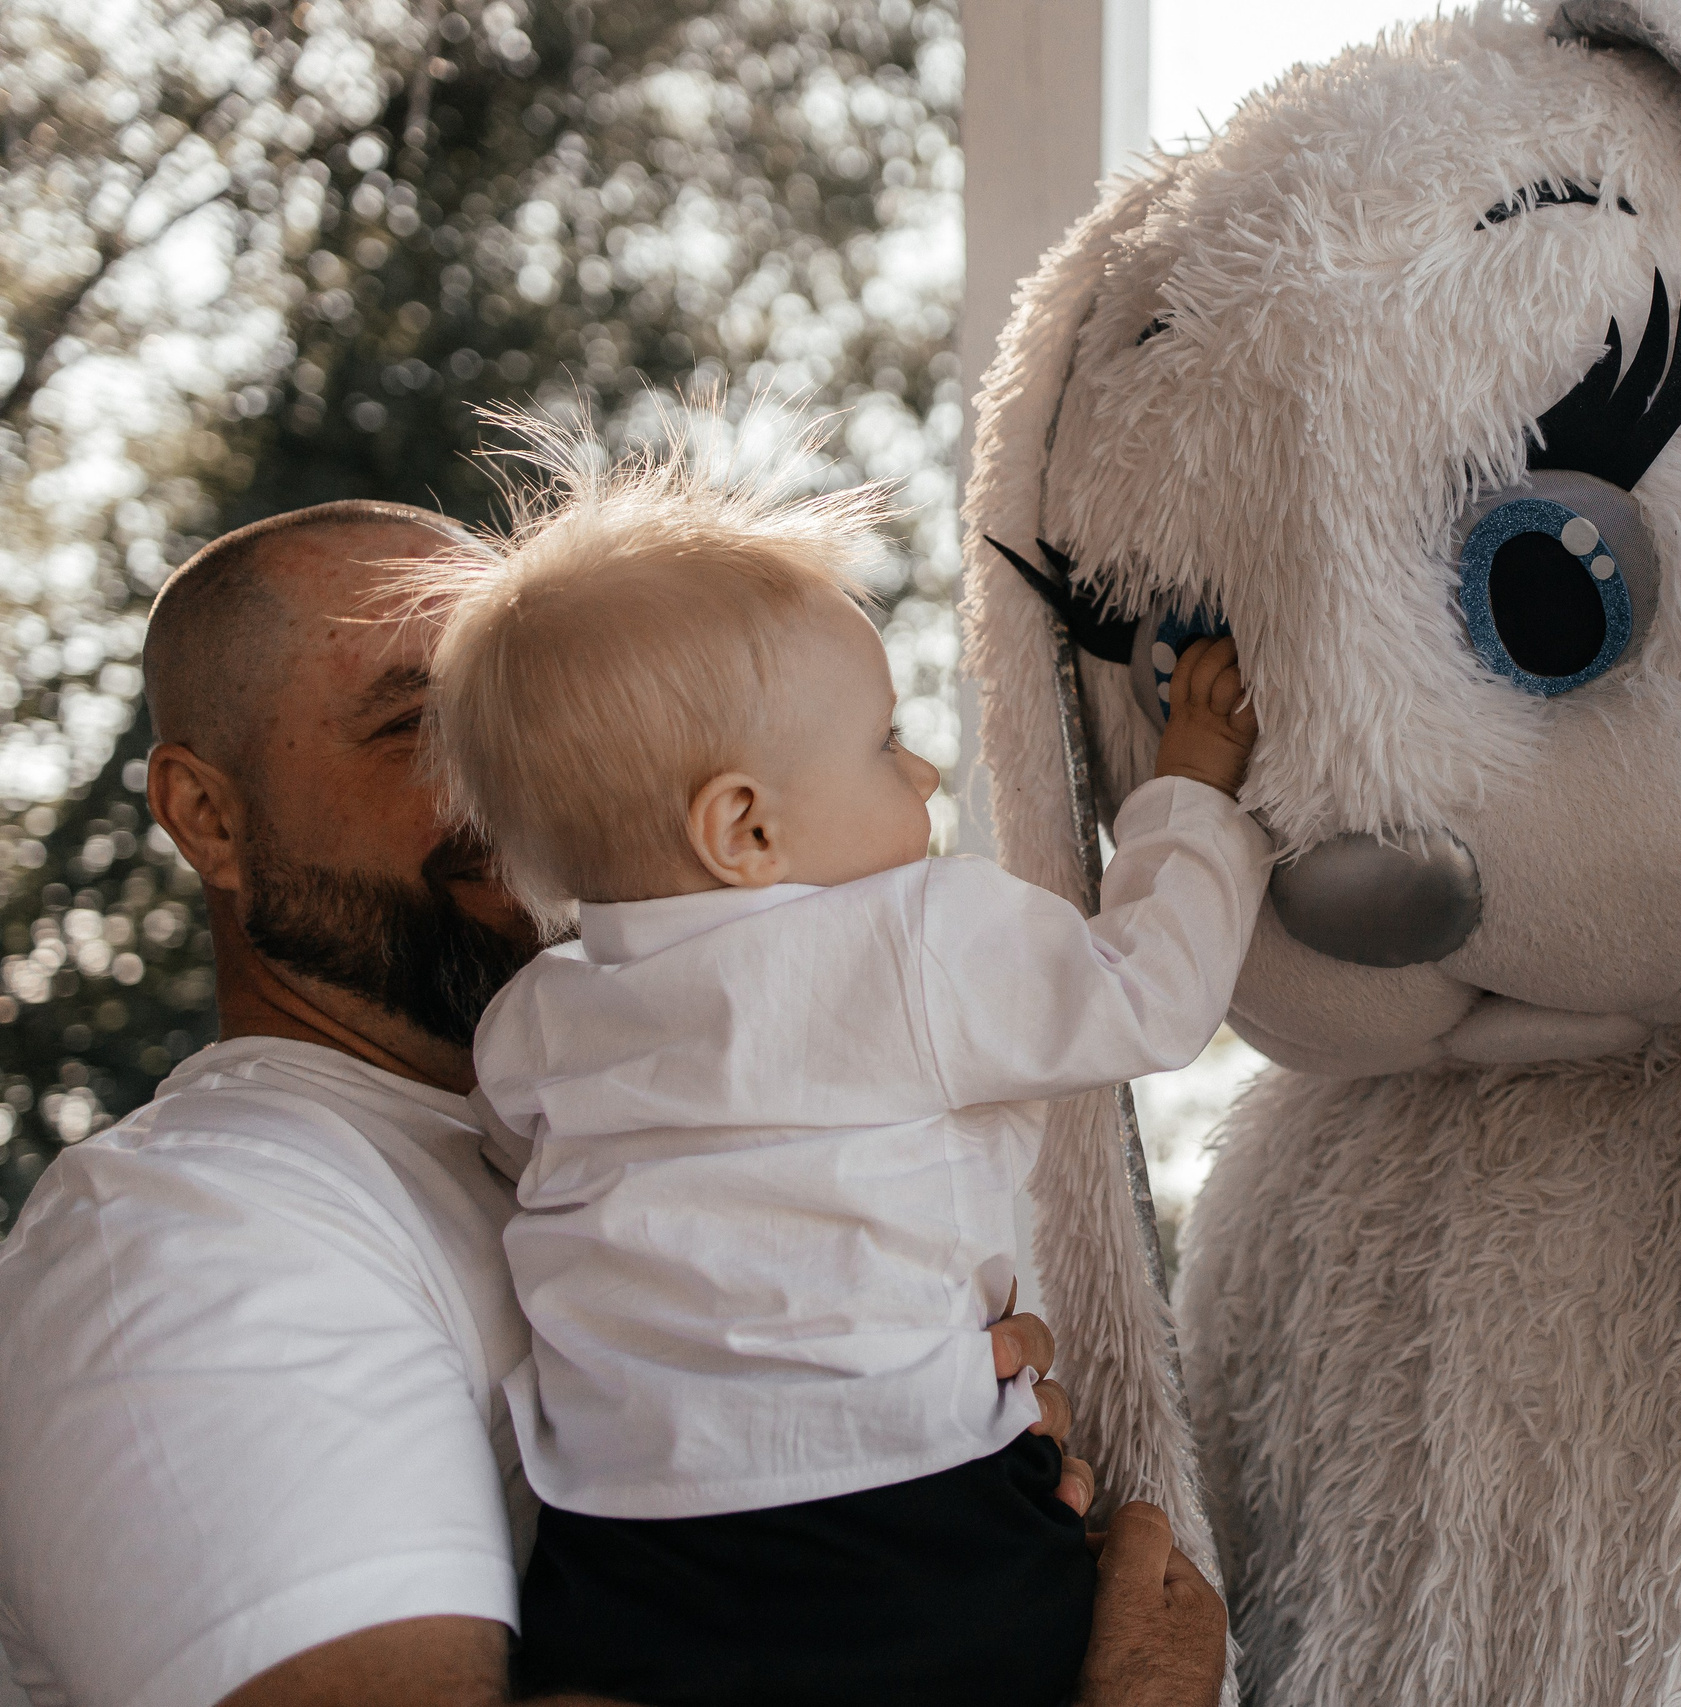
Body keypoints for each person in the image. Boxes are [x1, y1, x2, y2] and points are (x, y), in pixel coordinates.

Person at [0, 500, 1230, 1707]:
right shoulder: (185, 1239)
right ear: (206, 815)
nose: (508, 790)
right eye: (428, 729)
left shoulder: (564, 1072)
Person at [411, 445, 1269, 1705]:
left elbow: (524, 1171)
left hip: (627, 1558)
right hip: (911, 1523)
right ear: (744, 829)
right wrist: (1191, 791)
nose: (923, 775)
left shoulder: (536, 1020)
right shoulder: (911, 934)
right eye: (885, 744)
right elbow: (1151, 994)